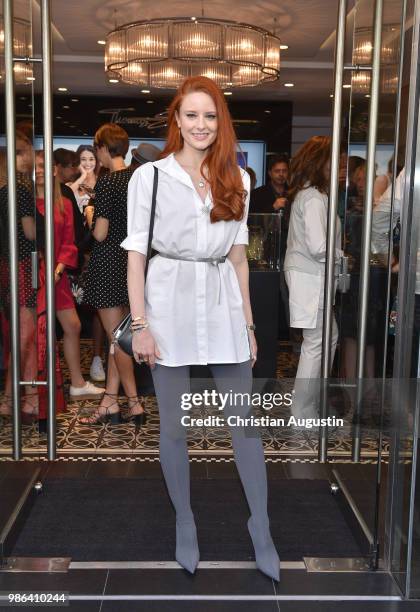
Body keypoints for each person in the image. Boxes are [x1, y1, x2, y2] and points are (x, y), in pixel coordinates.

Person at [122, 76, 280, 581]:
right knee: (173, 426)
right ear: (176, 119)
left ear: (221, 123)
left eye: (210, 116)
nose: (200, 126)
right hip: (167, 300)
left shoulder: (239, 179)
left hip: (221, 302)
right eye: (191, 115)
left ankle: (262, 527)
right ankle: (184, 522)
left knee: (244, 424)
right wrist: (141, 325)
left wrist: (250, 327)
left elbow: (238, 260)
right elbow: (136, 259)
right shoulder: (149, 178)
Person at [81, 123, 145, 425]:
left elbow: (101, 234)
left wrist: (90, 214)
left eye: (97, 149)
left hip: (107, 264)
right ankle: (110, 400)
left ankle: (133, 403)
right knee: (120, 337)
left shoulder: (107, 183)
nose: (97, 155)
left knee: (118, 339)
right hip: (134, 264)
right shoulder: (139, 179)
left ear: (104, 148)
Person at [35, 151, 104, 410]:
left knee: (73, 326)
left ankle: (76, 382)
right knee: (34, 334)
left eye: (44, 166)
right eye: (36, 166)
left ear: (54, 170)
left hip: (57, 275)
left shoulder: (61, 201)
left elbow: (68, 240)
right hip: (33, 274)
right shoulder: (26, 200)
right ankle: (33, 386)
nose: (40, 170)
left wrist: (59, 269)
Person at [284, 136, 342, 417]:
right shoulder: (315, 198)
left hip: (309, 275)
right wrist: (342, 256)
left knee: (325, 339)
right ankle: (303, 410)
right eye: (333, 160)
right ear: (322, 162)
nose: (338, 165)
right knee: (317, 343)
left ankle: (307, 406)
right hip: (311, 277)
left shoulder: (309, 194)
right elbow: (319, 247)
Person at [0, 135, 37, 416]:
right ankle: (14, 397)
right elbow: (29, 233)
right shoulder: (21, 190)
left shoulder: (4, 190)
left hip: (7, 264)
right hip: (22, 264)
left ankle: (22, 397)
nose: (29, 158)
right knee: (25, 334)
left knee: (21, 333)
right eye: (23, 153)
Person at [67, 144, 106, 383]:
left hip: (96, 252)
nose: (88, 163)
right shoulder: (72, 187)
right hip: (76, 254)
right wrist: (81, 178)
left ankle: (97, 358)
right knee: (74, 313)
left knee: (99, 311)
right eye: (84, 159)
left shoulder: (104, 183)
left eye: (91, 158)